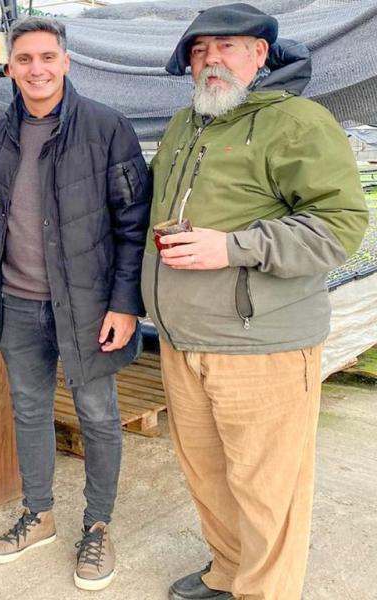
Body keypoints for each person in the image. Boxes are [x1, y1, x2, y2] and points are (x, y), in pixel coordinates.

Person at [142, 4, 369, 600]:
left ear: (261, 54)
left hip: (260, 342)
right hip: (184, 338)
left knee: (268, 488)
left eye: (228, 46)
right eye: (199, 50)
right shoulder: (184, 124)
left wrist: (233, 246)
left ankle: (265, 592)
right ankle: (228, 572)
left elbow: (339, 226)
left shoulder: (297, 122)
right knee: (209, 476)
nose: (212, 58)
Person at [0, 17, 151, 591]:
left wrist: (124, 304)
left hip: (89, 305)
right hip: (17, 301)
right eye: (24, 59)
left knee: (97, 415)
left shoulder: (106, 128)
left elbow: (133, 223)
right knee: (30, 410)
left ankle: (97, 525)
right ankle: (38, 513)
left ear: (66, 62)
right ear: (9, 66)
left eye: (47, 57)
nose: (36, 69)